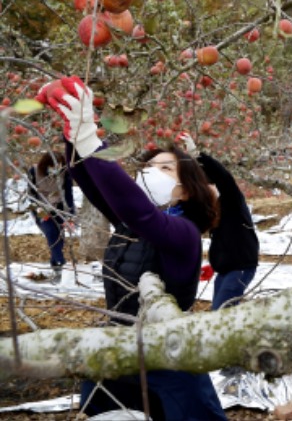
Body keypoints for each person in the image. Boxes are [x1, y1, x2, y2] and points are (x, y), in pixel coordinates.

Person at [36, 76, 226, 421]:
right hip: (118, 348)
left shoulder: (183, 233)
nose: (152, 172)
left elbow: (140, 212)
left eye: (165, 168)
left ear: (184, 191)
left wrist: (89, 138)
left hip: (167, 355)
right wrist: (74, 137)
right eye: (149, 166)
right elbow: (91, 183)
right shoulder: (129, 223)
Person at [177, 132, 259, 310]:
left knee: (220, 312)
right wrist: (215, 265)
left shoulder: (232, 201)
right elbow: (225, 241)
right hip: (226, 269)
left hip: (241, 267)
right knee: (222, 311)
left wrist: (197, 154)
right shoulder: (213, 210)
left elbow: (224, 177)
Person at [27, 151, 75, 284]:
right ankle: (60, 263)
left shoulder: (64, 173)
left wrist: (70, 216)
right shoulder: (34, 171)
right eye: (52, 166)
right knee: (51, 233)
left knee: (59, 238)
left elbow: (68, 195)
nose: (55, 169)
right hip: (40, 209)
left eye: (58, 166)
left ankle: (56, 268)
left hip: (59, 208)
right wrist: (40, 209)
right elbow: (30, 195)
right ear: (45, 165)